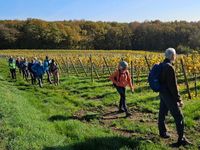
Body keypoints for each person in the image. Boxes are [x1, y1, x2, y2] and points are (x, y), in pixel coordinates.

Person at [158, 48, 191, 147]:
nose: (175, 57)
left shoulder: (161, 65)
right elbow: (173, 87)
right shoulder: (169, 67)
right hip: (169, 95)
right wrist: (179, 99)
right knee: (178, 116)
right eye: (175, 55)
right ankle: (181, 139)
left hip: (162, 93)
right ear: (173, 56)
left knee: (162, 113)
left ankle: (162, 132)